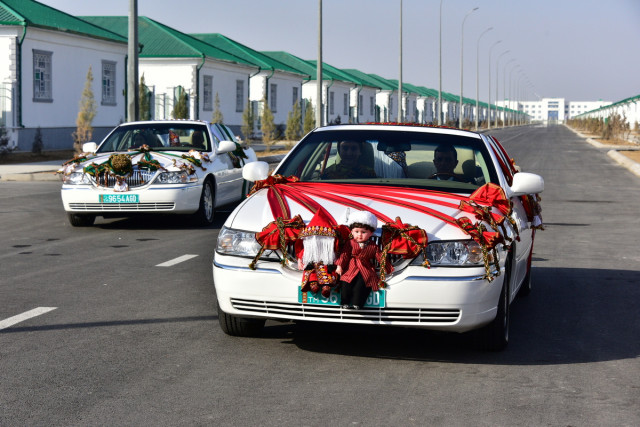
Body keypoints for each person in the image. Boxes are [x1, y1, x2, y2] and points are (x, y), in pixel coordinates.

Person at [335, 210, 391, 310]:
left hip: (365, 268)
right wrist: (339, 266)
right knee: (346, 283)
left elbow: (380, 256)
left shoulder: (373, 246)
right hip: (350, 268)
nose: (359, 235)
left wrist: (388, 267)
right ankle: (345, 302)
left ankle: (358, 303)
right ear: (352, 232)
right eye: (356, 232)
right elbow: (345, 255)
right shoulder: (350, 243)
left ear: (371, 233)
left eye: (363, 232)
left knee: (362, 285)